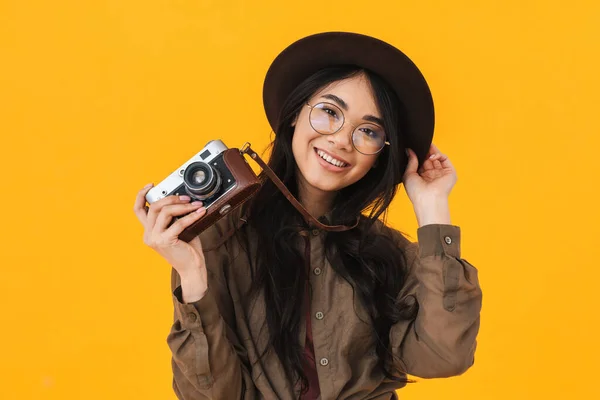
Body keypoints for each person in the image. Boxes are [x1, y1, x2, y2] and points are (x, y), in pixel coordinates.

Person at [133, 32, 482, 400]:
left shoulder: (387, 252)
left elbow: (444, 357)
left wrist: (432, 208)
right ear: (295, 113)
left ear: (380, 153)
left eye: (368, 131)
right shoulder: (220, 240)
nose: (342, 140)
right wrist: (191, 276)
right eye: (330, 112)